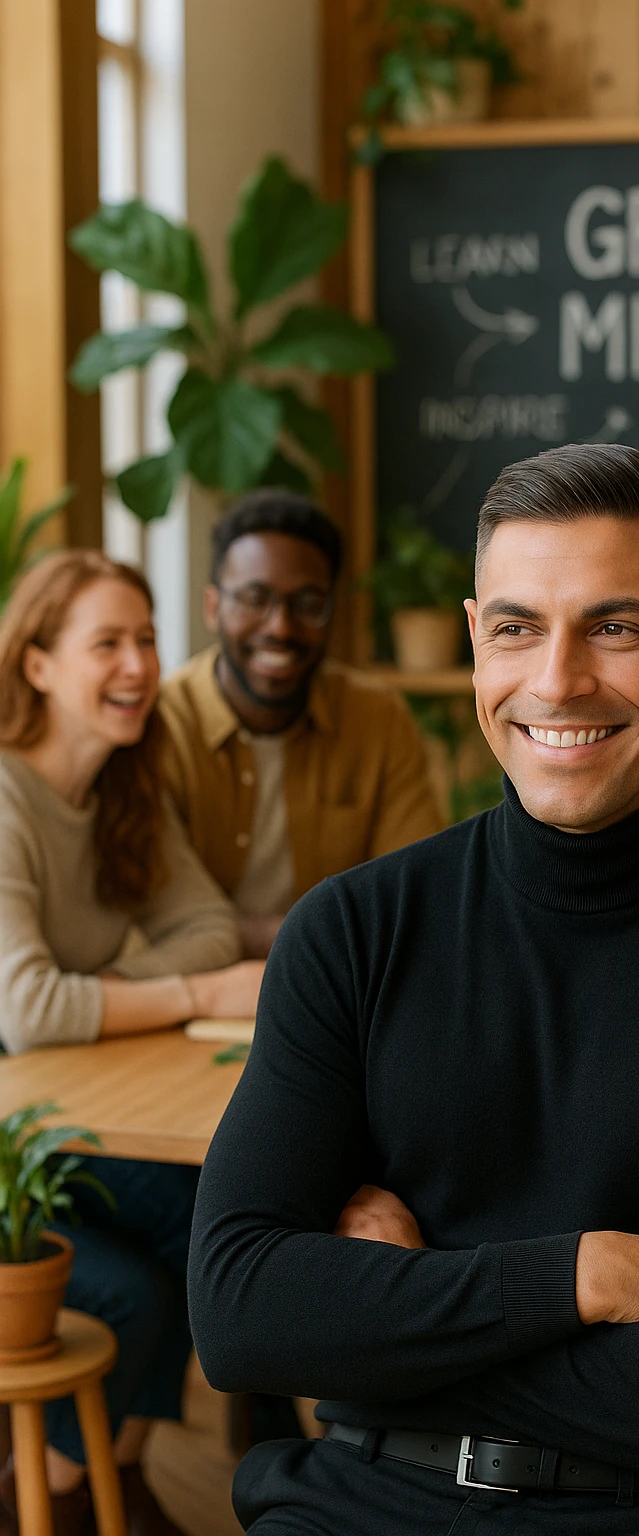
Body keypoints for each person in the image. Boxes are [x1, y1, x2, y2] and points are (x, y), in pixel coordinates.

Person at [188, 445, 639, 1536]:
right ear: (477, 633)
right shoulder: (352, 931)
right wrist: (581, 1279)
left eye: (617, 627)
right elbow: (239, 1314)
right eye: (515, 626)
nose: (555, 680)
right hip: (349, 1506)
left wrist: (397, 1326)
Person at [0, 550, 263, 1536]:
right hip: (14, 1152)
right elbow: (27, 1008)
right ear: (36, 665)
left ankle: (115, 1472)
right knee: (137, 1286)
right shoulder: (6, 797)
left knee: (217, 1219)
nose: (139, 666)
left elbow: (209, 923)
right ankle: (62, 1496)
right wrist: (192, 990)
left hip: (79, 1118)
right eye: (106, 642)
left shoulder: (124, 789)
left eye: (146, 640)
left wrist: (101, 988)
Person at [159, 489, 443, 959]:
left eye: (308, 603)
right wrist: (319, 938)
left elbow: (417, 893)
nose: (281, 628)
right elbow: (158, 917)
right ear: (213, 607)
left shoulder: (377, 720)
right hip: (196, 991)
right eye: (255, 598)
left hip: (339, 995)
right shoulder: (163, 724)